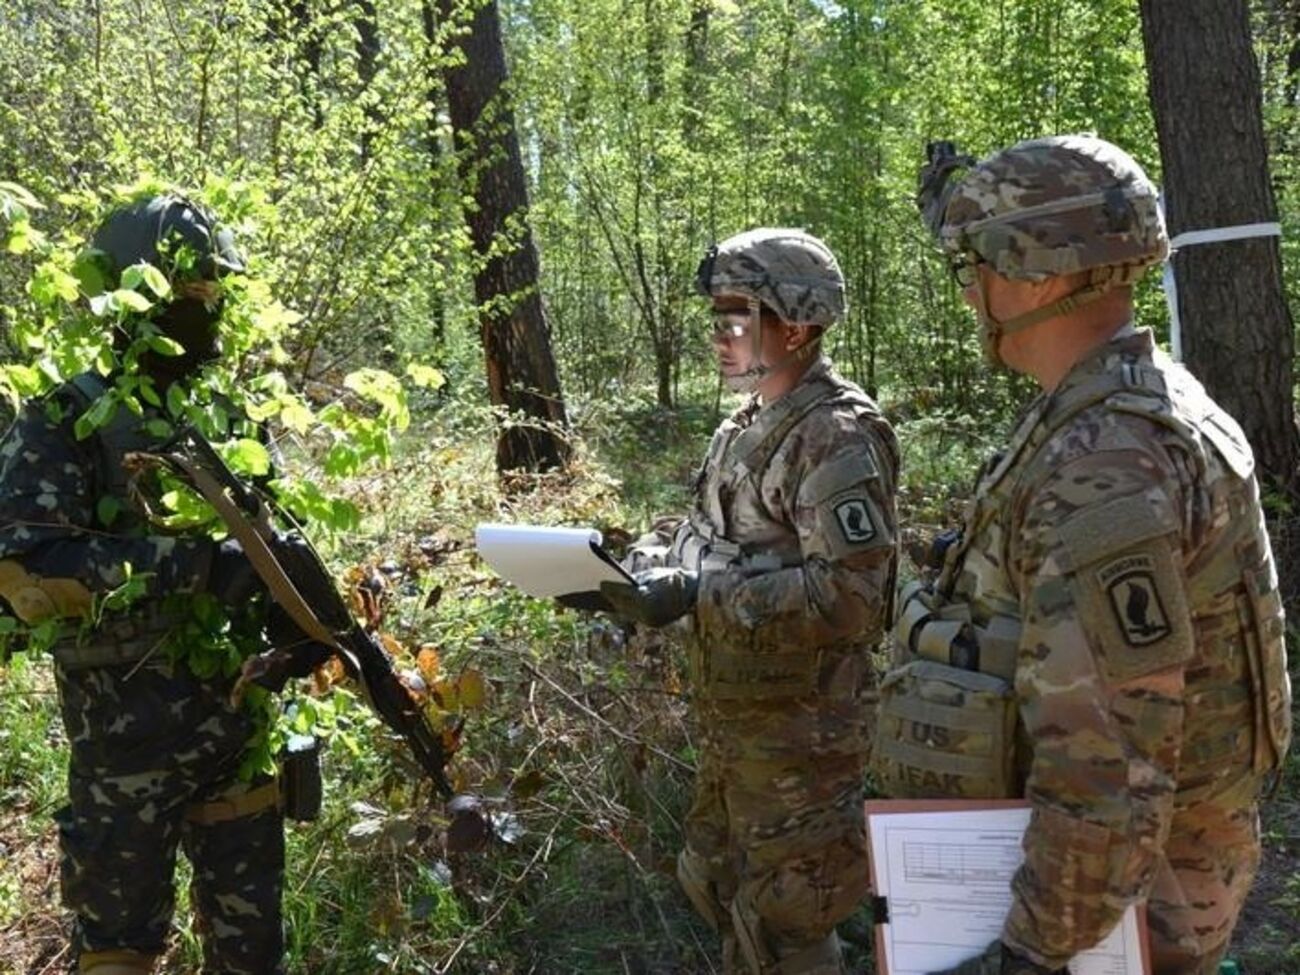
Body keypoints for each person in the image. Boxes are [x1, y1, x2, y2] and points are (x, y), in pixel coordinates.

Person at [875, 136, 1292, 975]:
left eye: (977, 268)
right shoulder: (1127, 407)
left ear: (1042, 274)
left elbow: (1107, 768)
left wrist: (1030, 954)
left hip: (1111, 918)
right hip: (1126, 889)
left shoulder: (1104, 466)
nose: (971, 295)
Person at [0, 195, 291, 975]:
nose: (211, 306)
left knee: (253, 951)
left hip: (237, 728)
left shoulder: (230, 420)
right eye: (193, 290)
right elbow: (25, 573)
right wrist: (190, 569)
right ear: (141, 293)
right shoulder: (66, 420)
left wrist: (295, 617)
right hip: (124, 750)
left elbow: (280, 546)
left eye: (216, 290)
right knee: (118, 953)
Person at [601, 228, 899, 974]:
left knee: (789, 924)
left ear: (795, 326)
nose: (718, 333)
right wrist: (642, 561)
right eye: (717, 315)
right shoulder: (743, 427)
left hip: (803, 739)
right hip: (735, 726)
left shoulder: (835, 437)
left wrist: (707, 592)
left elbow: (854, 596)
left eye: (736, 314)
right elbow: (702, 533)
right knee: (718, 883)